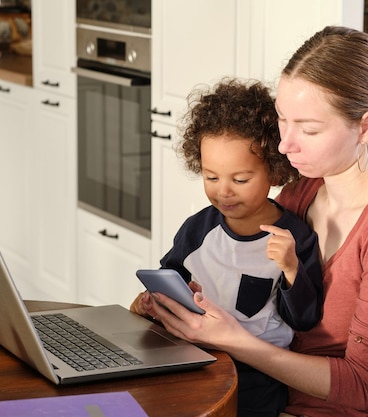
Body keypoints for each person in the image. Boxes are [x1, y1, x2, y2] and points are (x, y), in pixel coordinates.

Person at [135, 26, 368, 417]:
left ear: (367, 126)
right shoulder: (303, 193)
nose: (285, 144)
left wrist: (233, 339)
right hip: (274, 398)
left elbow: (361, 387)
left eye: (310, 128)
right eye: (283, 120)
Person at [130, 78, 324, 417]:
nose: (224, 192)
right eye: (211, 177)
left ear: (273, 172)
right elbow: (168, 280)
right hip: (194, 361)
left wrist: (292, 268)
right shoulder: (198, 229)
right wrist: (154, 301)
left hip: (257, 378)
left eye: (240, 180)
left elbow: (305, 320)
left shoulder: (295, 238)